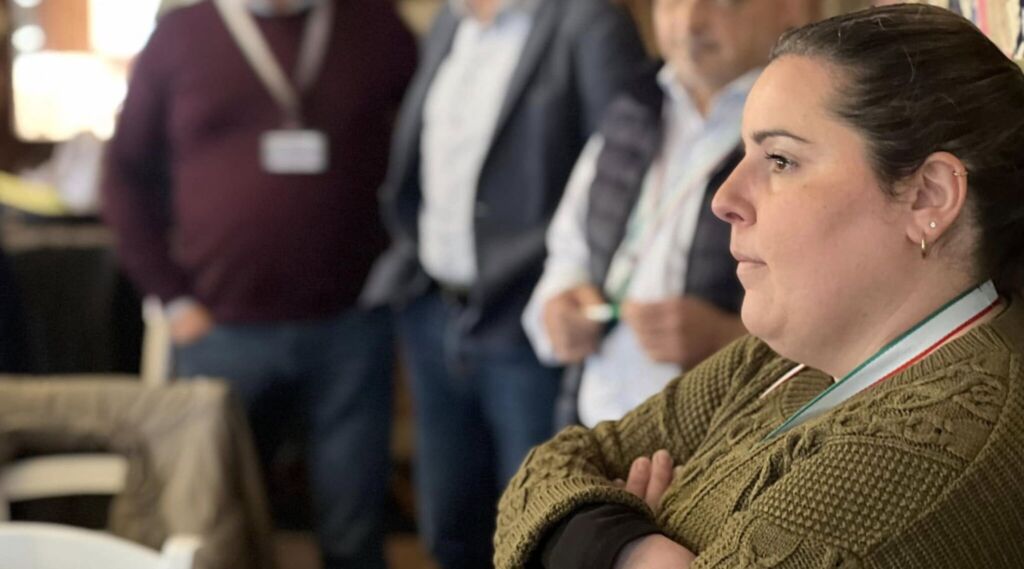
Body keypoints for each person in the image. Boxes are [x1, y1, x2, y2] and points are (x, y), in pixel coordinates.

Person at [493, 4, 1024, 568]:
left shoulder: (918, 461)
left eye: (781, 160)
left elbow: (544, 511)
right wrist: (634, 551)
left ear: (928, 197)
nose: (724, 199)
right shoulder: (780, 358)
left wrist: (602, 530)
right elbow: (537, 479)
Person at [101, 1, 416, 567]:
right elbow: (123, 174)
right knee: (217, 524)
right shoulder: (181, 35)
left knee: (355, 523)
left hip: (351, 323)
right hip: (219, 329)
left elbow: (432, 146)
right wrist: (171, 296)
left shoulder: (373, 25)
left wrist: (403, 266)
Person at [359, 0, 647, 565]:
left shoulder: (588, 20)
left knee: (533, 532)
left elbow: (625, 166)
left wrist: (577, 291)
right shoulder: (451, 20)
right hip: (434, 310)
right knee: (449, 526)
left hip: (526, 325)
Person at [523, 0, 814, 428]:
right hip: (595, 417)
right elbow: (570, 248)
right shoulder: (634, 105)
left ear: (791, 8)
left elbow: (838, 314)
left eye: (721, 2)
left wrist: (729, 339)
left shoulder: (808, 131)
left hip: (725, 434)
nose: (689, 22)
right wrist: (560, 300)